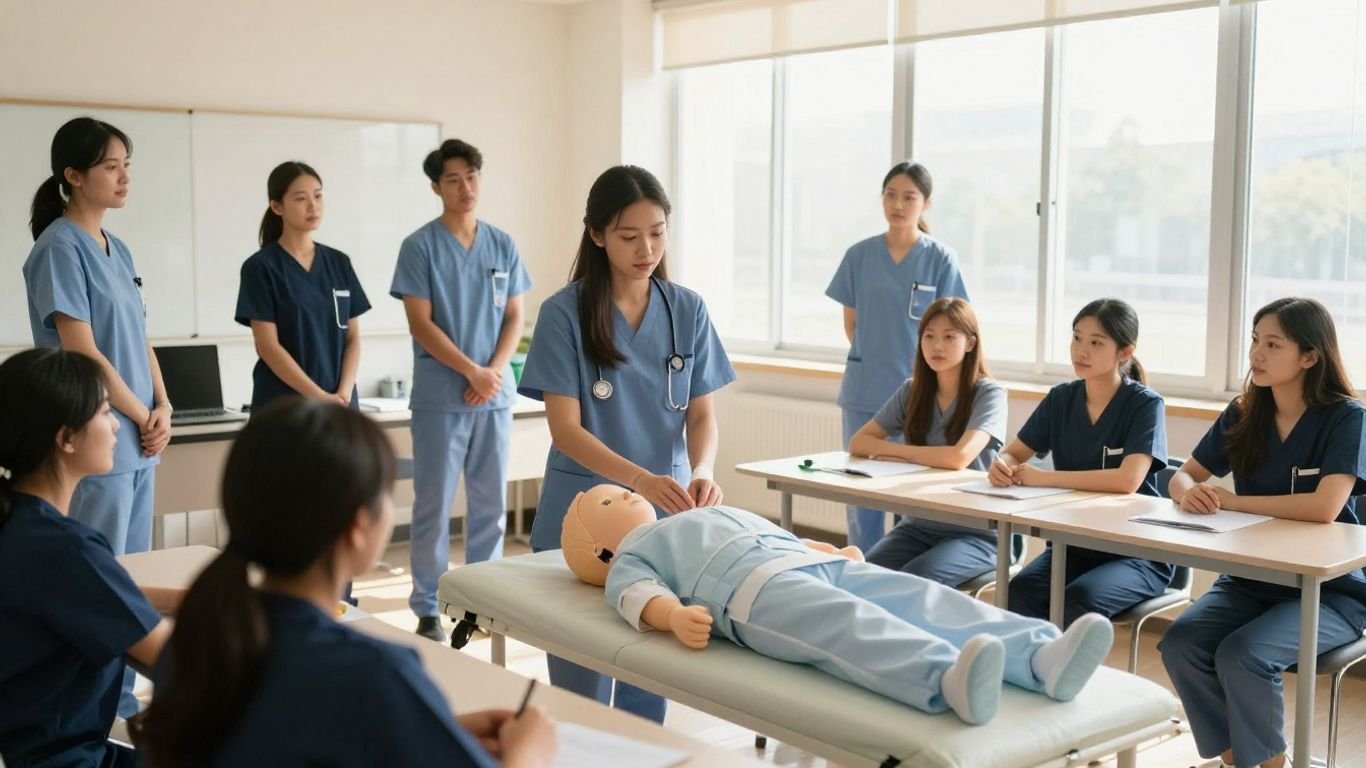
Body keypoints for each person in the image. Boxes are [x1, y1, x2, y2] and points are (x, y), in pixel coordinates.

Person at [131, 400, 556, 767]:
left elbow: (290, 738)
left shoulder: (198, 642)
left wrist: (429, 729)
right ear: (358, 526)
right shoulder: (374, 673)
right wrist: (531, 753)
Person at [562, 483, 1115, 726]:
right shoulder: (632, 557)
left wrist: (828, 548)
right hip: (752, 595)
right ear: (600, 548)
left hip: (803, 560)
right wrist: (673, 616)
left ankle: (1041, 654)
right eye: (609, 499)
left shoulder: (688, 516)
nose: (627, 492)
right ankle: (944, 677)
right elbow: (638, 597)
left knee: (923, 595)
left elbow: (774, 530)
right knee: (850, 626)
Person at [518, 165, 735, 723]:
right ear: (596, 235)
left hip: (667, 512)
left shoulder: (686, 308)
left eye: (658, 232)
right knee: (581, 677)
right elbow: (565, 429)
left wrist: (703, 467)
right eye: (629, 235)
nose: (647, 249)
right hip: (584, 513)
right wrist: (638, 479)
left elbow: (702, 411)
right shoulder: (563, 313)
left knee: (650, 669)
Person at [1159, 297, 1366, 768]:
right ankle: (1238, 762)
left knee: (1242, 654)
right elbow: (1181, 474)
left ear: (1310, 356)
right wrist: (1188, 491)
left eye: (1273, 344)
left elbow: (1324, 507)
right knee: (1181, 643)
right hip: (1252, 581)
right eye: (1255, 340)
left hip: (1330, 593)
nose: (1257, 353)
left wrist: (1232, 500)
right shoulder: (1243, 412)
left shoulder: (1346, 418)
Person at [23, 116, 171, 717]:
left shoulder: (120, 247)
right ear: (73, 176)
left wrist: (162, 406)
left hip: (136, 436)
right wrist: (138, 413)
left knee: (129, 577)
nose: (124, 176)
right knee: (95, 584)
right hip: (96, 431)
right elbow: (82, 350)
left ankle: (121, 705)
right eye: (111, 165)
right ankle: (85, 712)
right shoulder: (59, 247)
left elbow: (139, 335)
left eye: (126, 164)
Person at [0, 348, 174, 767]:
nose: (116, 424)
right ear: (66, 438)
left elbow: (97, 591)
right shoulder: (66, 548)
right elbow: (174, 657)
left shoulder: (21, 525)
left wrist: (196, 597)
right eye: (104, 411)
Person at [391, 139, 531, 642]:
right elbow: (420, 323)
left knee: (489, 503)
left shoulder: (502, 244)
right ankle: (428, 606)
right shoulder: (420, 246)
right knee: (433, 504)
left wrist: (491, 371)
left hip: (493, 393)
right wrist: (471, 371)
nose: (465, 186)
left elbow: (515, 314)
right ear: (435, 187)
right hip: (440, 396)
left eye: (472, 175)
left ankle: (483, 601)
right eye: (453, 179)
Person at [990, 298, 1173, 626]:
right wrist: (1000, 463)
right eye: (1076, 338)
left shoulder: (1145, 405)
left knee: (1079, 600)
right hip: (1073, 546)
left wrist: (1043, 478)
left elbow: (1127, 481)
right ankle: (1033, 677)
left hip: (1136, 553)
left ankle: (1068, 678)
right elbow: (1014, 452)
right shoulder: (1062, 399)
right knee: (1020, 592)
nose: (1081, 351)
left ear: (1125, 352)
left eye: (1096, 342)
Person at [826, 161, 969, 552]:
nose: (898, 205)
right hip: (865, 388)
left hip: (922, 394)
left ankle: (903, 574)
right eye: (891, 195)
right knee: (861, 497)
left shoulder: (940, 259)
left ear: (926, 204)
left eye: (909, 197)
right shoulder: (859, 256)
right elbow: (852, 326)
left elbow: (954, 327)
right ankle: (863, 573)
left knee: (913, 498)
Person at [848, 297, 1009, 587]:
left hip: (976, 532)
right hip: (918, 525)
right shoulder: (912, 390)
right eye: (929, 336)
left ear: (970, 343)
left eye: (949, 337)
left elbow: (958, 458)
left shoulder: (990, 394)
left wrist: (896, 453)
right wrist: (917, 454)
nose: (937, 346)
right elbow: (859, 443)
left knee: (914, 580)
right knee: (863, 577)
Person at [236, 161, 370, 410]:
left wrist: (343, 392)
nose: (313, 206)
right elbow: (268, 346)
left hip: (340, 404)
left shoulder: (339, 263)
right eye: (300, 198)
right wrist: (318, 396)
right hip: (285, 406)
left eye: (318, 196)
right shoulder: (261, 268)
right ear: (277, 206)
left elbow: (352, 337)